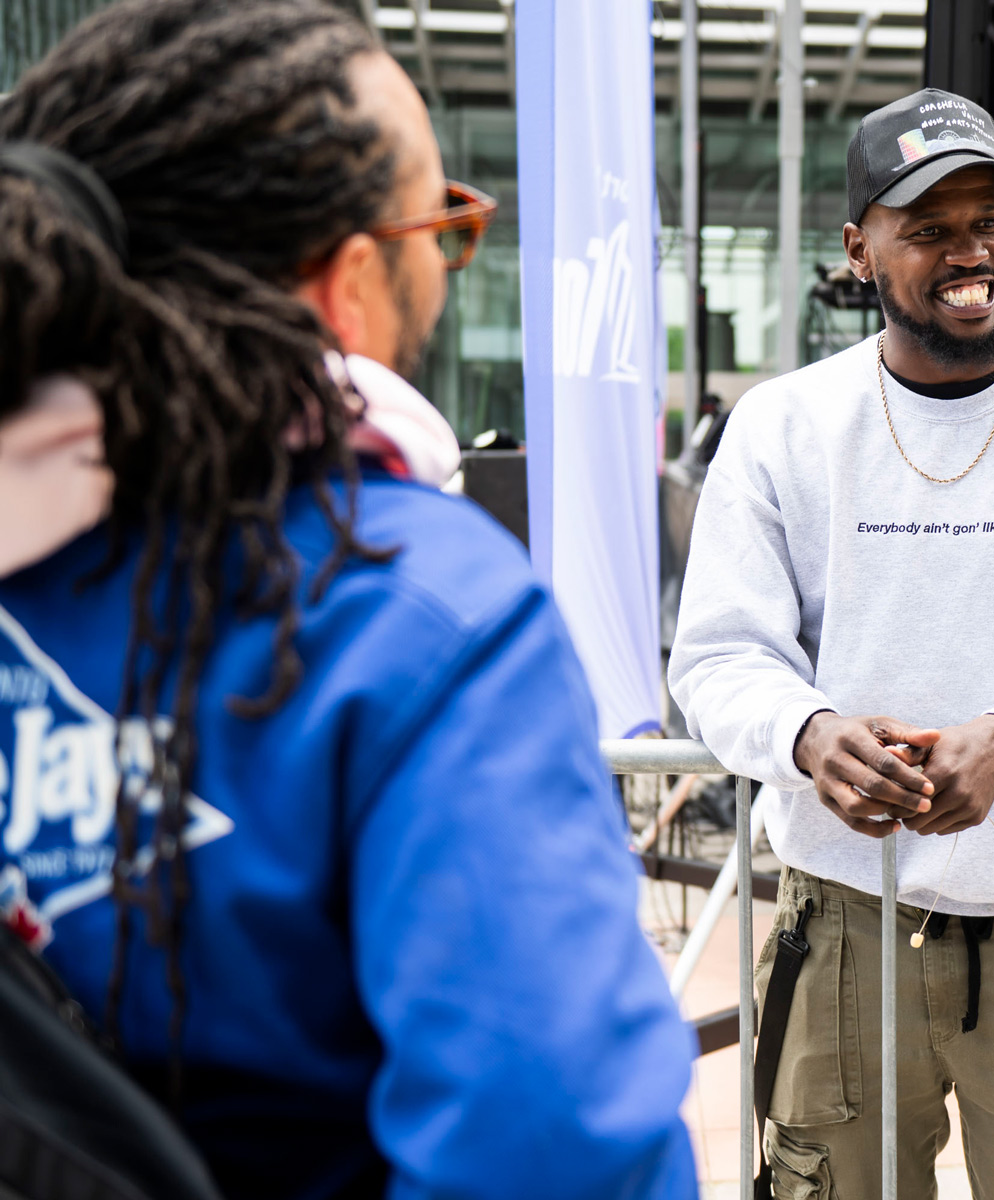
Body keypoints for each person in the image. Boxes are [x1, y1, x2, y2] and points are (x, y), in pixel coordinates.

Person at [0, 2, 697, 1196]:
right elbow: (551, 1149)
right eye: (444, 226)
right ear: (349, 285)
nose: (447, 257)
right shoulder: (412, 610)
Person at [669, 87, 994, 1199]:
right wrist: (809, 733)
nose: (970, 255)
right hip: (840, 915)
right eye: (929, 229)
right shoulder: (786, 426)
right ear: (861, 249)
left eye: (988, 224)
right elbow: (719, 656)